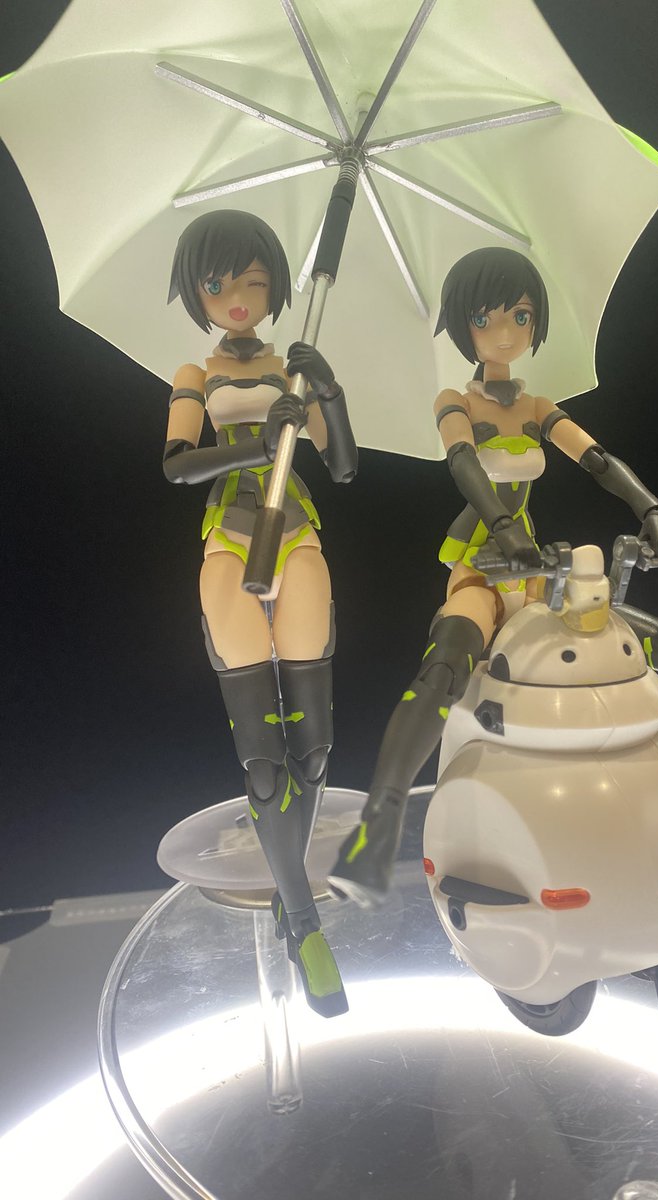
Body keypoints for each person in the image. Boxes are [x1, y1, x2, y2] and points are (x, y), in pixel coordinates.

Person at [329, 246, 658, 906]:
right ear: (463, 325)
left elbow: (598, 459)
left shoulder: (539, 405)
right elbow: (463, 463)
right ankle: (378, 825)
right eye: (486, 317)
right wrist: (502, 526)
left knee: (644, 643)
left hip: (535, 570)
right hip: (483, 563)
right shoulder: (454, 401)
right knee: (447, 662)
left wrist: (651, 508)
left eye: (520, 315)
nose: (507, 332)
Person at [164, 209, 356, 1016]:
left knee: (312, 751)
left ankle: (291, 903)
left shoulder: (293, 368)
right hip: (230, 541)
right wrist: (258, 440)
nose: (237, 298)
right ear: (197, 292)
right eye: (217, 283)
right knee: (265, 762)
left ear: (276, 285)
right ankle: (303, 919)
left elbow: (341, 466)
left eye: (252, 280)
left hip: (299, 534)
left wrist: (327, 394)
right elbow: (178, 467)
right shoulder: (195, 373)